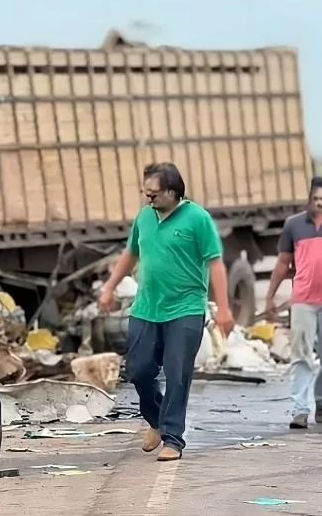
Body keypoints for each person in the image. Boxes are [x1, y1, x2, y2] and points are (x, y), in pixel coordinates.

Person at [99, 162, 234, 462]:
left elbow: (215, 263)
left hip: (185, 308)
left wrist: (224, 309)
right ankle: (157, 420)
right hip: (146, 307)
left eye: (155, 194)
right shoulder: (144, 217)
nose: (149, 200)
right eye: (145, 193)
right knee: (138, 370)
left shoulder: (198, 219)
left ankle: (173, 438)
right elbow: (131, 253)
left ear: (173, 192)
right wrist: (109, 287)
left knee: (177, 374)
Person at [264, 176, 322, 429]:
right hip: (303, 299)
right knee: (301, 355)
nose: (319, 203)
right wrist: (270, 296)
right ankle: (300, 409)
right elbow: (283, 263)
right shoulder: (294, 225)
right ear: (309, 200)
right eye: (315, 199)